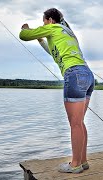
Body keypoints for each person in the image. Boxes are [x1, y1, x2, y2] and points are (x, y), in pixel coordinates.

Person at [19, 8, 94, 174]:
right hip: (87, 75)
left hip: (73, 75)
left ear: (50, 20)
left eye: (44, 22)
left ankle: (75, 165)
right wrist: (40, 40)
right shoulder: (68, 33)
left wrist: (25, 28)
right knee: (80, 122)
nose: (43, 25)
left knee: (75, 124)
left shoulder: (52, 27)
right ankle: (82, 161)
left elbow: (23, 36)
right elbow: (54, 53)